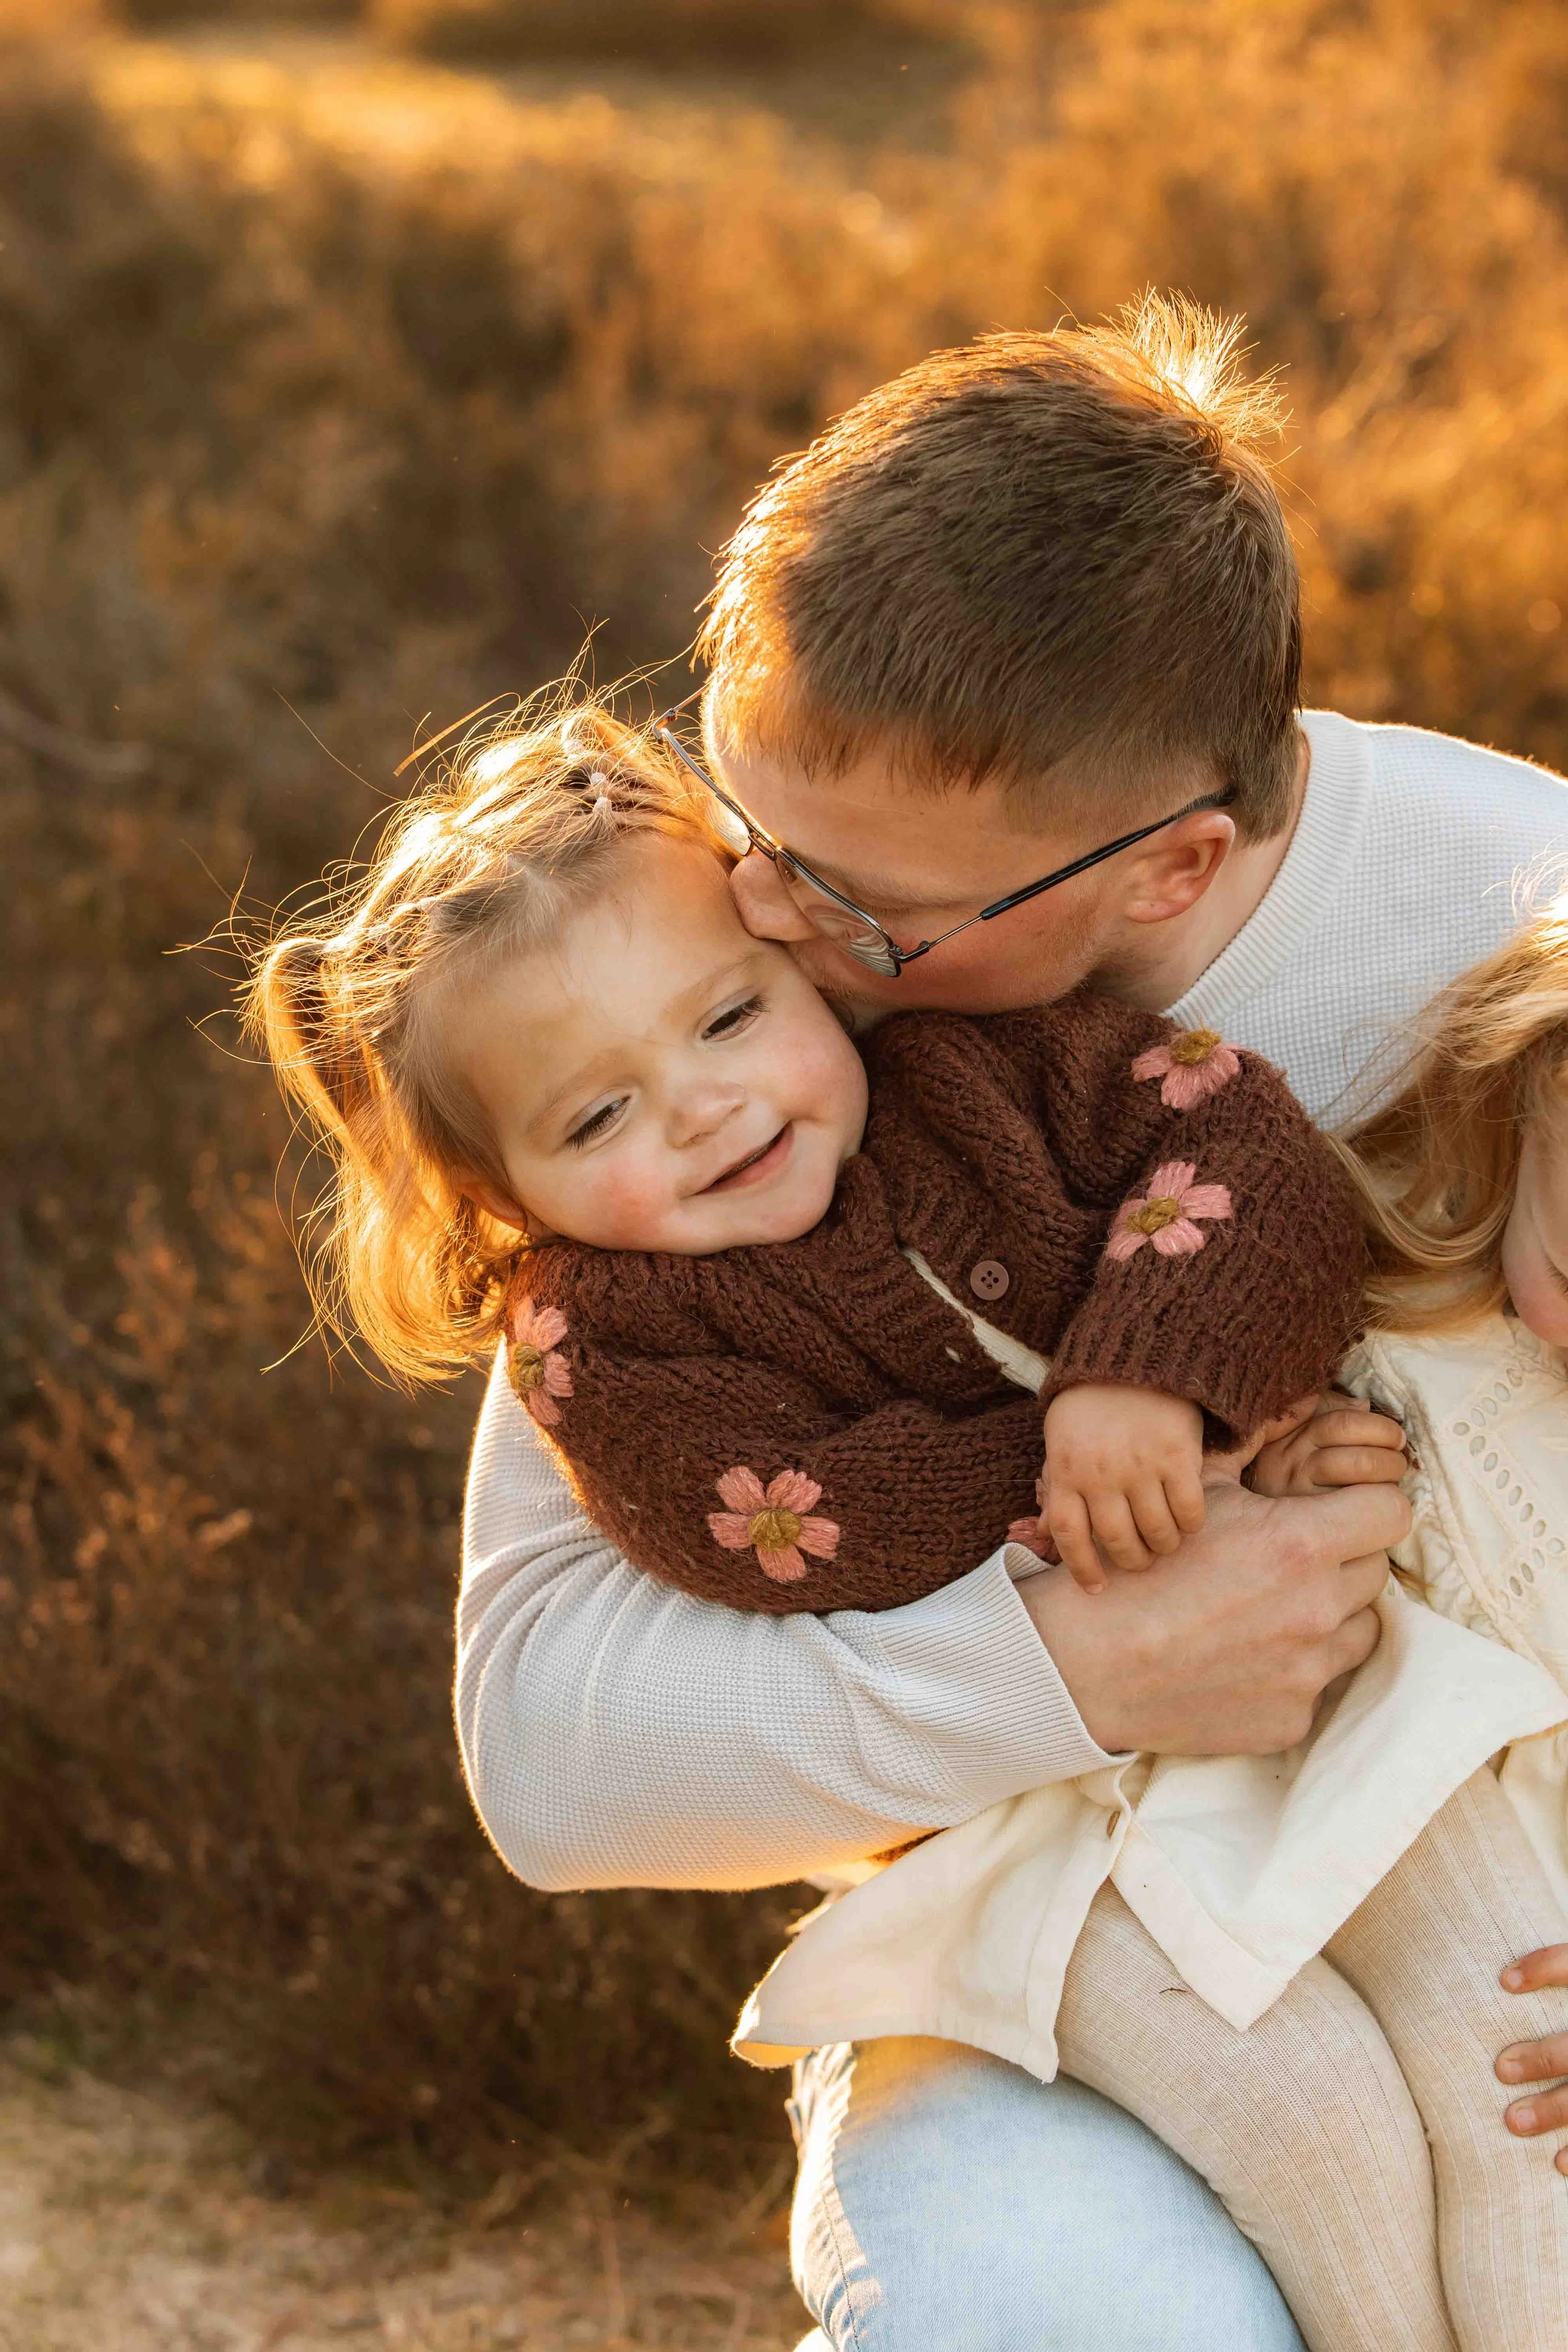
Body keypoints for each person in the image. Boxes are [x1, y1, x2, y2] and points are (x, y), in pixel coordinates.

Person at [454, 297, 1568, 2349]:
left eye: (860, 909)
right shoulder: (728, 1027)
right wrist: (1075, 1661)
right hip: (1066, 1963)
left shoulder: (1526, 918)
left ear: (1174, 868)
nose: (774, 933)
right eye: (745, 834)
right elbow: (550, 1746)